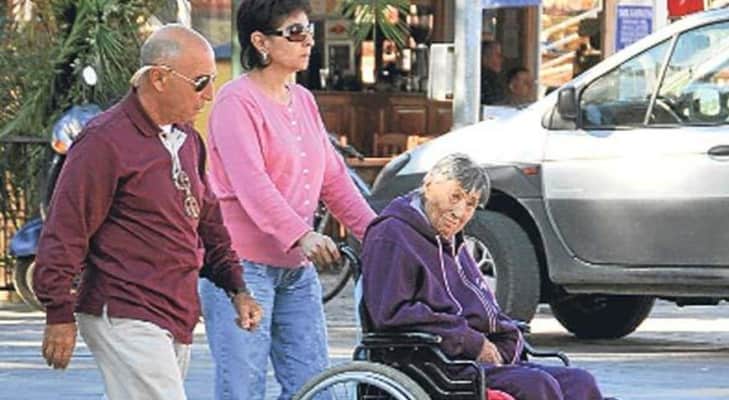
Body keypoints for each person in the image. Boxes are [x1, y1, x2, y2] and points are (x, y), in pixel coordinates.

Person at [33, 25, 263, 400]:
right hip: (123, 308)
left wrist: (237, 288)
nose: (209, 94)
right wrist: (58, 312)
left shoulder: (188, 140)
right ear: (159, 78)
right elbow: (67, 228)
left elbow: (207, 223)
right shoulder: (105, 140)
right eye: (201, 82)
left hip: (175, 310)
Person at [197, 1, 377, 399]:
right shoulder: (235, 101)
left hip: (295, 267)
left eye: (309, 31)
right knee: (243, 389)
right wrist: (302, 235)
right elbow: (252, 184)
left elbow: (334, 178)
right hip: (240, 269)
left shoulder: (304, 99)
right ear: (260, 41)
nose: (308, 41)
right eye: (295, 32)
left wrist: (380, 234)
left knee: (315, 388)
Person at [361, 153, 605, 400]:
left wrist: (504, 337)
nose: (459, 212)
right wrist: (471, 342)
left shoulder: (450, 240)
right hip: (436, 362)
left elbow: (481, 304)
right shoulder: (392, 234)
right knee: (536, 385)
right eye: (455, 196)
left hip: (473, 357)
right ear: (429, 184)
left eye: (470, 204)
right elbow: (393, 313)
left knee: (580, 382)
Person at [481, 40, 506, 105]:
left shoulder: (493, 79)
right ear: (485, 57)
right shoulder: (486, 80)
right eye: (498, 55)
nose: (501, 59)